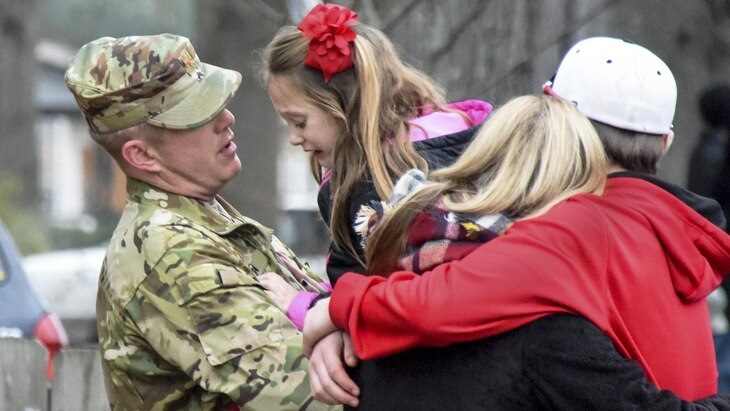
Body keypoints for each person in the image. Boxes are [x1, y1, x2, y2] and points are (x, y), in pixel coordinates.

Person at [303, 36, 730, 405]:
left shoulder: (575, 230)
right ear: (667, 142)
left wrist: (334, 310)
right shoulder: (673, 225)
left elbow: (434, 305)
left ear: (553, 116)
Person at [64, 34, 336, 411]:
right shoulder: (171, 251)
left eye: (216, 102)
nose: (226, 118)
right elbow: (318, 396)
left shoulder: (207, 218)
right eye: (197, 113)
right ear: (142, 155)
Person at [261, 3, 492, 295]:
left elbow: (381, 304)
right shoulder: (468, 141)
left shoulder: (374, 190)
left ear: (345, 106)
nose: (295, 138)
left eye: (299, 122)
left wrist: (307, 307)